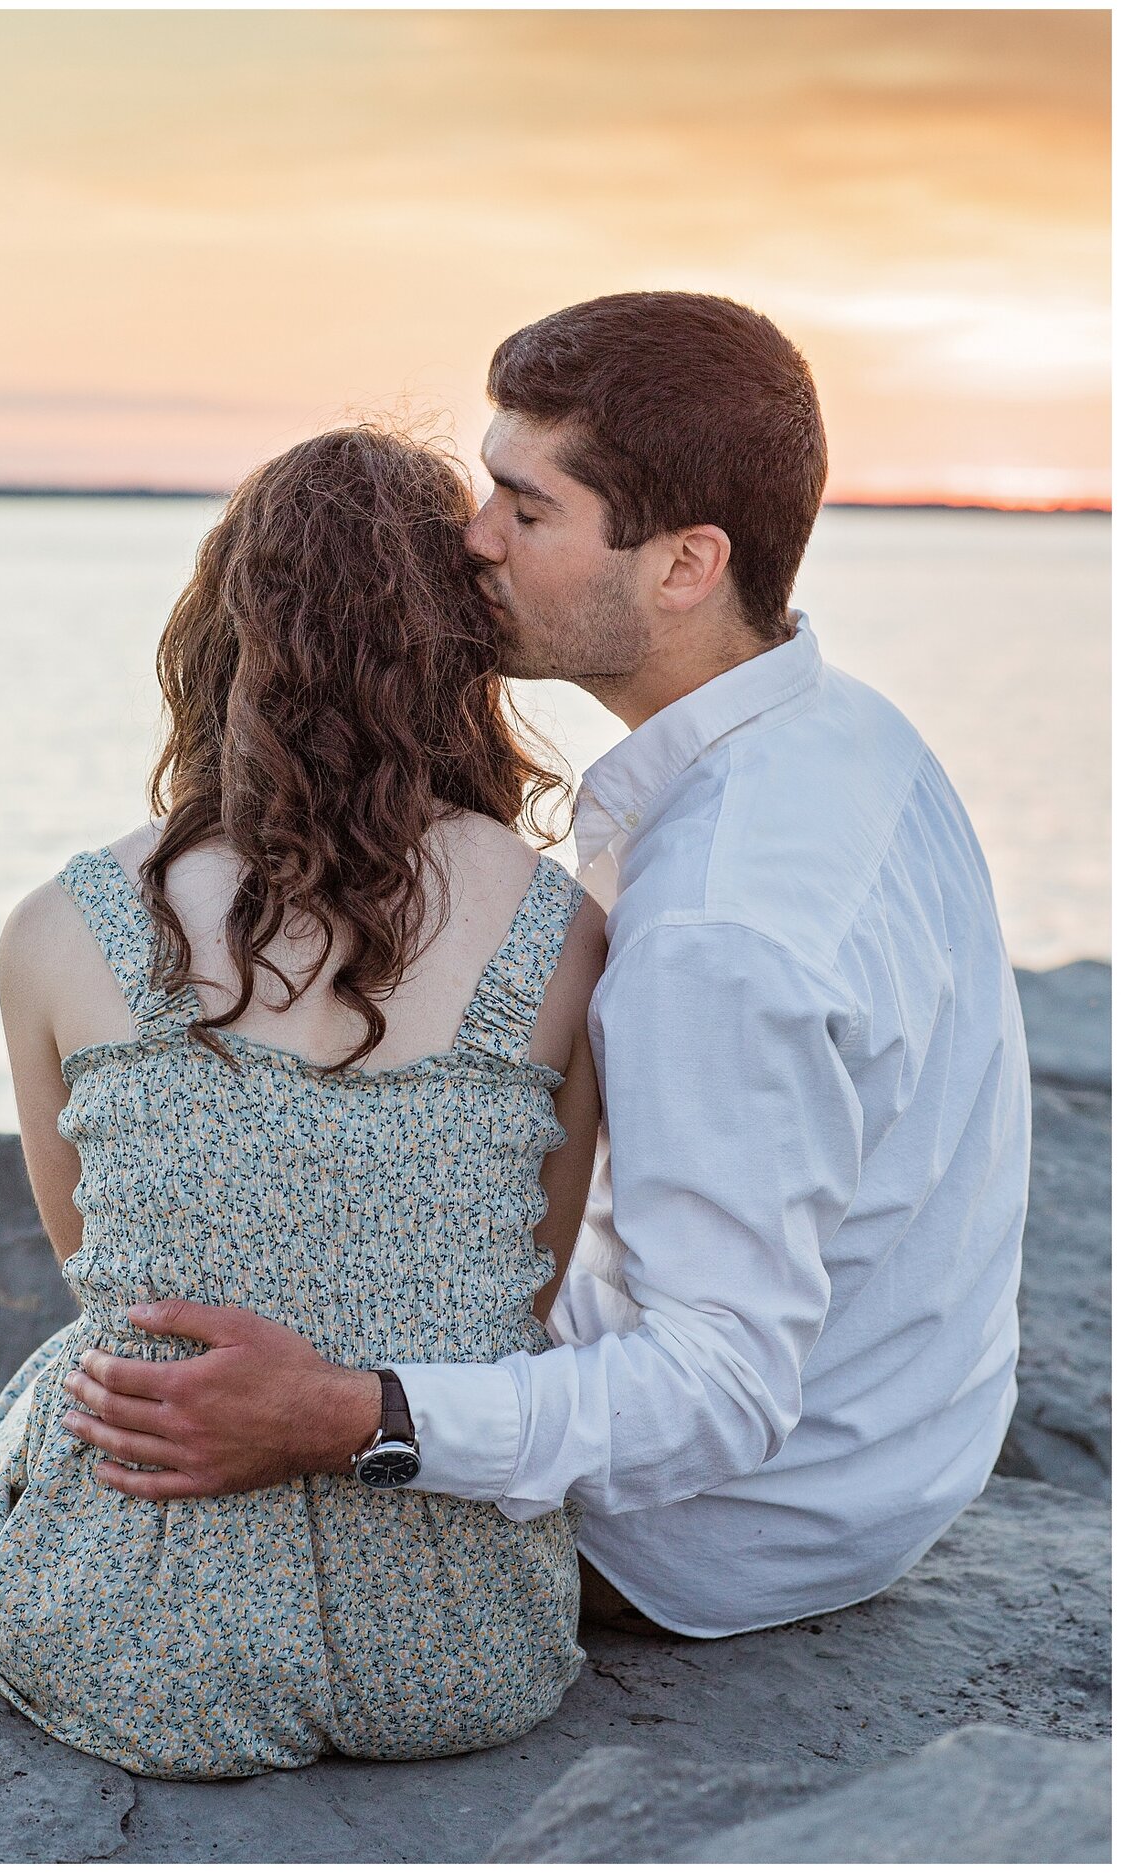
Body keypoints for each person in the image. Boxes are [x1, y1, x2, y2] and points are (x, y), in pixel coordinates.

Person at [54, 292, 1030, 1645]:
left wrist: (358, 1417)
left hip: (725, 1523)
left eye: (526, 506)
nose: (473, 538)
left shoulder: (715, 929)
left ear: (686, 565)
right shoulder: (845, 731)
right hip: (898, 1440)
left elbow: (722, 1390)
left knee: (176, 1465)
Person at [0, 424, 610, 1777]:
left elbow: (98, 1273)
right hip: (465, 1636)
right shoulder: (565, 928)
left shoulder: (60, 926)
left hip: (148, 1643)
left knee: (76, 1368)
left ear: (217, 641)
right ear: (459, 650)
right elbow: (525, 1286)